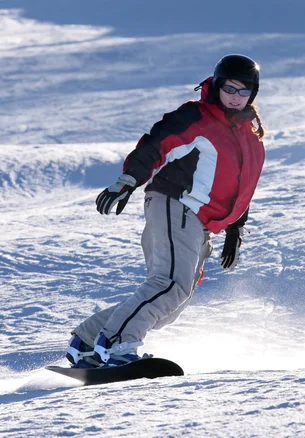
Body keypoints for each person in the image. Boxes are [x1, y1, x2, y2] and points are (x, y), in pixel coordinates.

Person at [65, 54, 266, 368]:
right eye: (229, 88)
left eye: (244, 91)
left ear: (252, 93)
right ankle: (117, 345)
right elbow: (157, 143)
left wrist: (235, 229)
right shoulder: (198, 117)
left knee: (172, 300)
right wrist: (128, 179)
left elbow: (242, 189)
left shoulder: (252, 141)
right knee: (169, 286)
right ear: (217, 85)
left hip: (199, 224)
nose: (235, 97)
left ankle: (89, 340)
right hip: (176, 205)